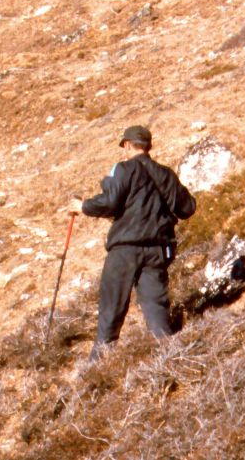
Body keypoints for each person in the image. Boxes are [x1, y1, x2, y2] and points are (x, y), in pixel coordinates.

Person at [69, 125, 196, 359]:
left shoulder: (123, 169)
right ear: (148, 146)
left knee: (112, 310)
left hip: (125, 249)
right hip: (158, 250)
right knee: (156, 307)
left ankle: (97, 367)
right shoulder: (166, 174)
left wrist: (83, 206)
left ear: (127, 145)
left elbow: (109, 203)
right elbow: (188, 208)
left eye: (123, 146)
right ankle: (169, 359)